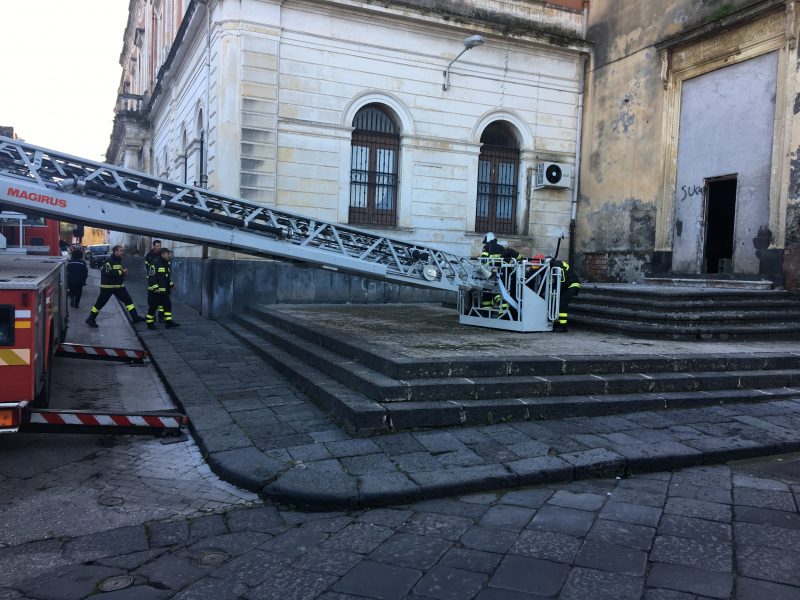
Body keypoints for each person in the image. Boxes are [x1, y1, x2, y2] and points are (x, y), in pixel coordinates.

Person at [85, 245, 143, 327]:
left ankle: (135, 318)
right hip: (108, 288)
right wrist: (122, 272)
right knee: (100, 304)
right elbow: (109, 273)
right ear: (115, 251)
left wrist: (124, 273)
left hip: (119, 287)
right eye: (121, 251)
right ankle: (90, 319)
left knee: (129, 301)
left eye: (123, 251)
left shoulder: (118, 261)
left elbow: (117, 273)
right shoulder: (108, 261)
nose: (122, 252)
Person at [146, 247, 179, 329]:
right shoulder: (155, 263)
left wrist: (171, 284)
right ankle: (149, 323)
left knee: (167, 305)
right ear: (163, 254)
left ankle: (168, 322)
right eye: (168, 254)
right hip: (155, 291)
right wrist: (155, 288)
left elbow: (166, 277)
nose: (169, 256)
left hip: (164, 291)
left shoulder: (166, 264)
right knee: (153, 307)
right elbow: (151, 277)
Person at [553, 259, 581, 332]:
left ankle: (563, 326)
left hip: (572, 285)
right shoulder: (553, 266)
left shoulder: (558, 267)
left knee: (562, 303)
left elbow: (562, 281)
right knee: (556, 302)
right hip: (565, 286)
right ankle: (557, 323)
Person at [144, 239, 165, 322]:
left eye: (160, 246)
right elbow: (148, 267)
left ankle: (161, 317)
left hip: (161, 280)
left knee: (162, 300)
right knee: (152, 301)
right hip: (152, 279)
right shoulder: (149, 255)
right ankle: (152, 317)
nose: (159, 248)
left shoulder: (161, 254)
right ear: (153, 246)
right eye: (157, 246)